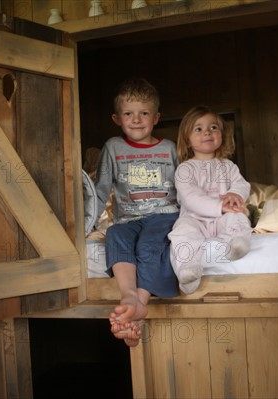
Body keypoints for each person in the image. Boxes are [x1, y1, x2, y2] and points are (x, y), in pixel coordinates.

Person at [93, 78, 180, 346]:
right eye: (128, 113)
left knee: (150, 244)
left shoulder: (170, 149)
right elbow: (101, 188)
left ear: (156, 117)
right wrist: (87, 222)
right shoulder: (112, 147)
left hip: (165, 214)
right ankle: (128, 294)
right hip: (127, 218)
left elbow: (186, 186)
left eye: (144, 113)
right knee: (115, 234)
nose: (137, 119)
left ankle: (137, 309)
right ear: (117, 118)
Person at [169, 105, 253, 294]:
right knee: (182, 231)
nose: (207, 132)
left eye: (213, 127)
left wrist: (236, 194)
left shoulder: (228, 166)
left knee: (239, 216)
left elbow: (242, 184)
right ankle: (188, 270)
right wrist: (220, 206)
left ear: (221, 134)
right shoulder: (185, 169)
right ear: (187, 140)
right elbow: (191, 198)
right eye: (198, 129)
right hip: (195, 219)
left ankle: (237, 242)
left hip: (224, 217)